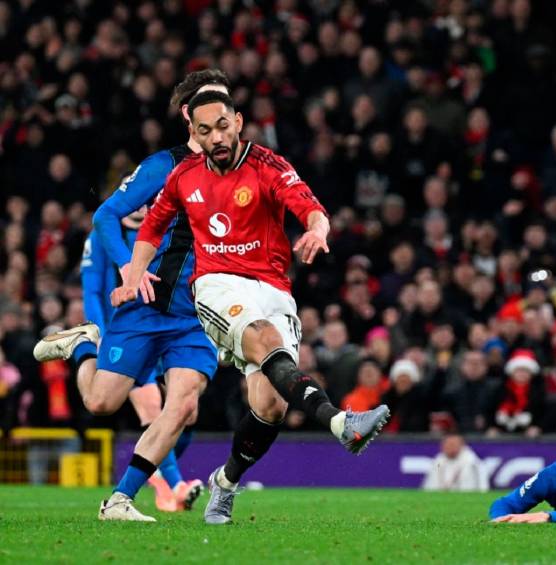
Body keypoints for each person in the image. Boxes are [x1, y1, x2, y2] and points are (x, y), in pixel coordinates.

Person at [113, 90, 390, 525]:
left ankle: (224, 482)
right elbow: (151, 227)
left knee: (272, 405)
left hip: (273, 287)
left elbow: (312, 209)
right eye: (204, 131)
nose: (216, 137)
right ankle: (339, 423)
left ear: (238, 122)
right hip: (217, 285)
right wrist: (134, 271)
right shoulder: (184, 176)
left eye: (222, 126)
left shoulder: (268, 166)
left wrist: (317, 231)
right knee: (265, 340)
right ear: (195, 134)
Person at [33, 70, 233, 522]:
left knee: (182, 405)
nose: (221, 122)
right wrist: (129, 265)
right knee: (101, 402)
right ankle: (84, 342)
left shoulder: (243, 170)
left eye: (226, 110)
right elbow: (106, 215)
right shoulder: (163, 166)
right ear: (189, 116)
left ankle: (123, 499)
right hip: (144, 308)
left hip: (195, 316)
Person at [80, 204, 201, 512]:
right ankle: (173, 486)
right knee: (141, 406)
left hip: (168, 326)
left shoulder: (165, 228)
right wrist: (99, 330)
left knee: (186, 413)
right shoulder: (107, 234)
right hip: (128, 330)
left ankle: (161, 479)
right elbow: (93, 290)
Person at [422, 434, 488, 492]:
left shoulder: (470, 461)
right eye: (445, 444)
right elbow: (431, 484)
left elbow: (478, 486)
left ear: (461, 445)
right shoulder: (439, 460)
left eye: (452, 444)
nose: (447, 447)